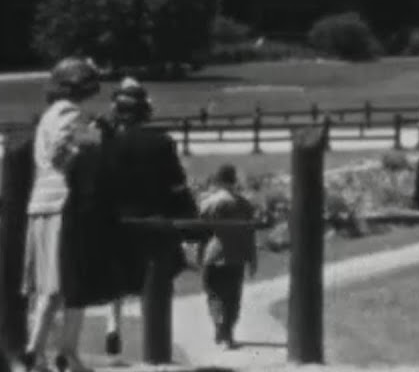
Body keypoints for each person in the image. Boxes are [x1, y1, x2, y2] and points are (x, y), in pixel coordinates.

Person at [22, 58, 117, 372]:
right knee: (74, 284)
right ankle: (67, 352)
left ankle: (35, 351)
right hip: (65, 204)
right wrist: (95, 136)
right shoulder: (69, 112)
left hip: (42, 203)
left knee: (48, 287)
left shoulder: (48, 114)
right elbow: (62, 154)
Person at [100, 78, 198, 357]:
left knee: (116, 276)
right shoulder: (162, 142)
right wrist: (189, 219)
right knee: (154, 278)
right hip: (154, 222)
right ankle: (152, 335)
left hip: (117, 221)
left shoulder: (108, 144)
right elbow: (176, 186)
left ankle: (112, 323)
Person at [196, 164, 258, 350]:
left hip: (214, 254)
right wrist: (252, 259)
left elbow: (200, 231)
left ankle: (219, 326)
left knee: (214, 294)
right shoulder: (245, 205)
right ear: (234, 180)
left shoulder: (209, 203)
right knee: (232, 297)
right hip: (236, 256)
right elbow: (250, 234)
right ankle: (227, 332)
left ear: (218, 181)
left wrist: (198, 255)